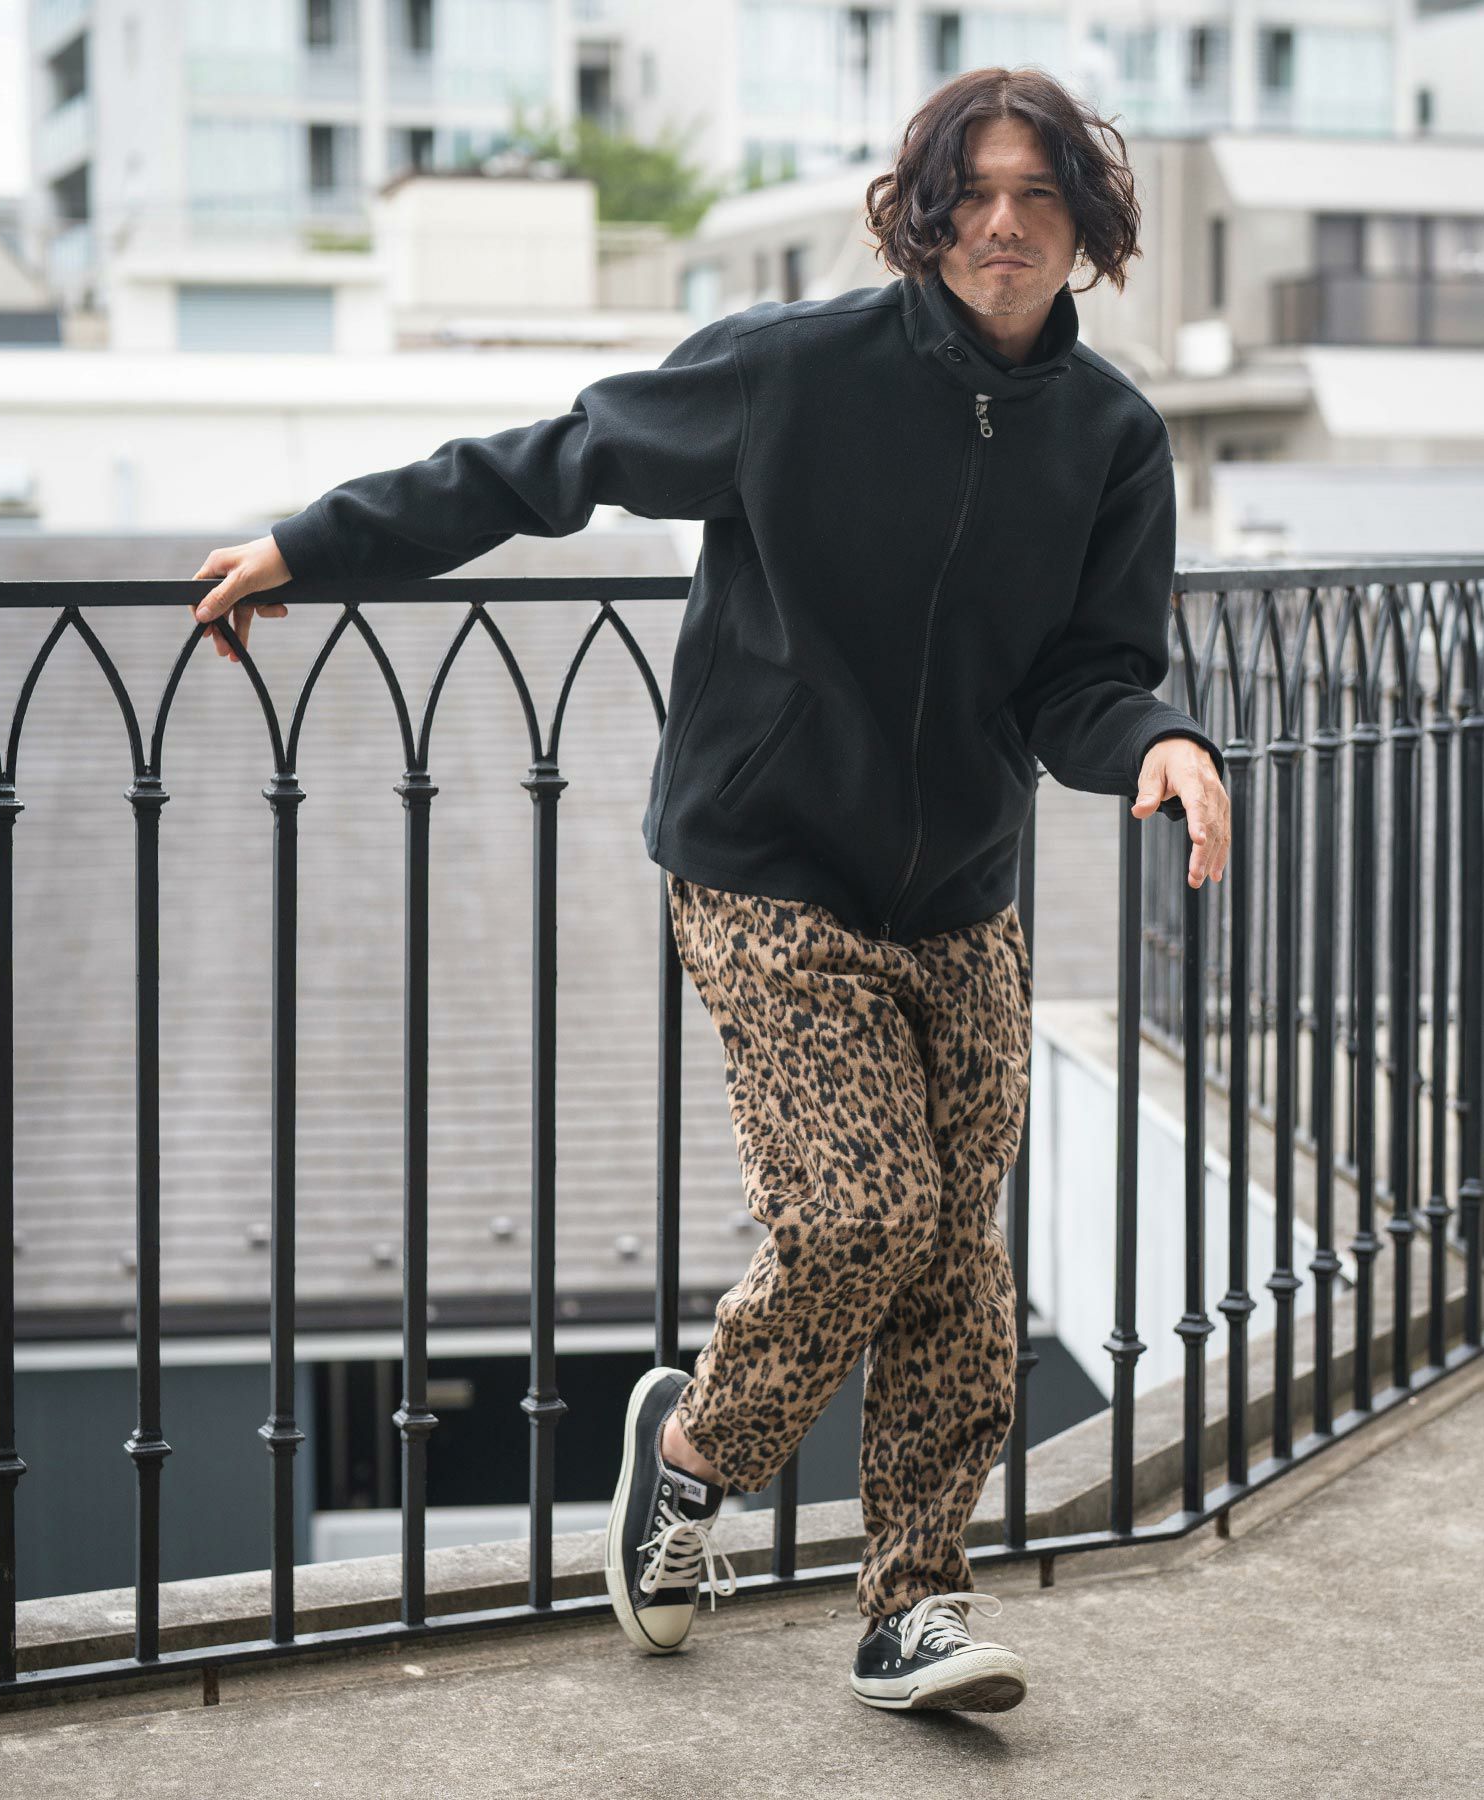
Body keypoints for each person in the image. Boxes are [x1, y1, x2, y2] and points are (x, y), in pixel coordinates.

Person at [189, 66, 1231, 1714]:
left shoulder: (1113, 439)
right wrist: (317, 543)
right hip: (765, 864)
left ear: (1085, 226)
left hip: (963, 891)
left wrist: (1159, 739)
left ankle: (914, 1607)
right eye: (974, 192)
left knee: (956, 1258)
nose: (1004, 223)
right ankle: (688, 1461)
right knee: (861, 1217)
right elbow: (553, 463)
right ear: (925, 215)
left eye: (1039, 195)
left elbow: (1086, 681)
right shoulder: (793, 371)